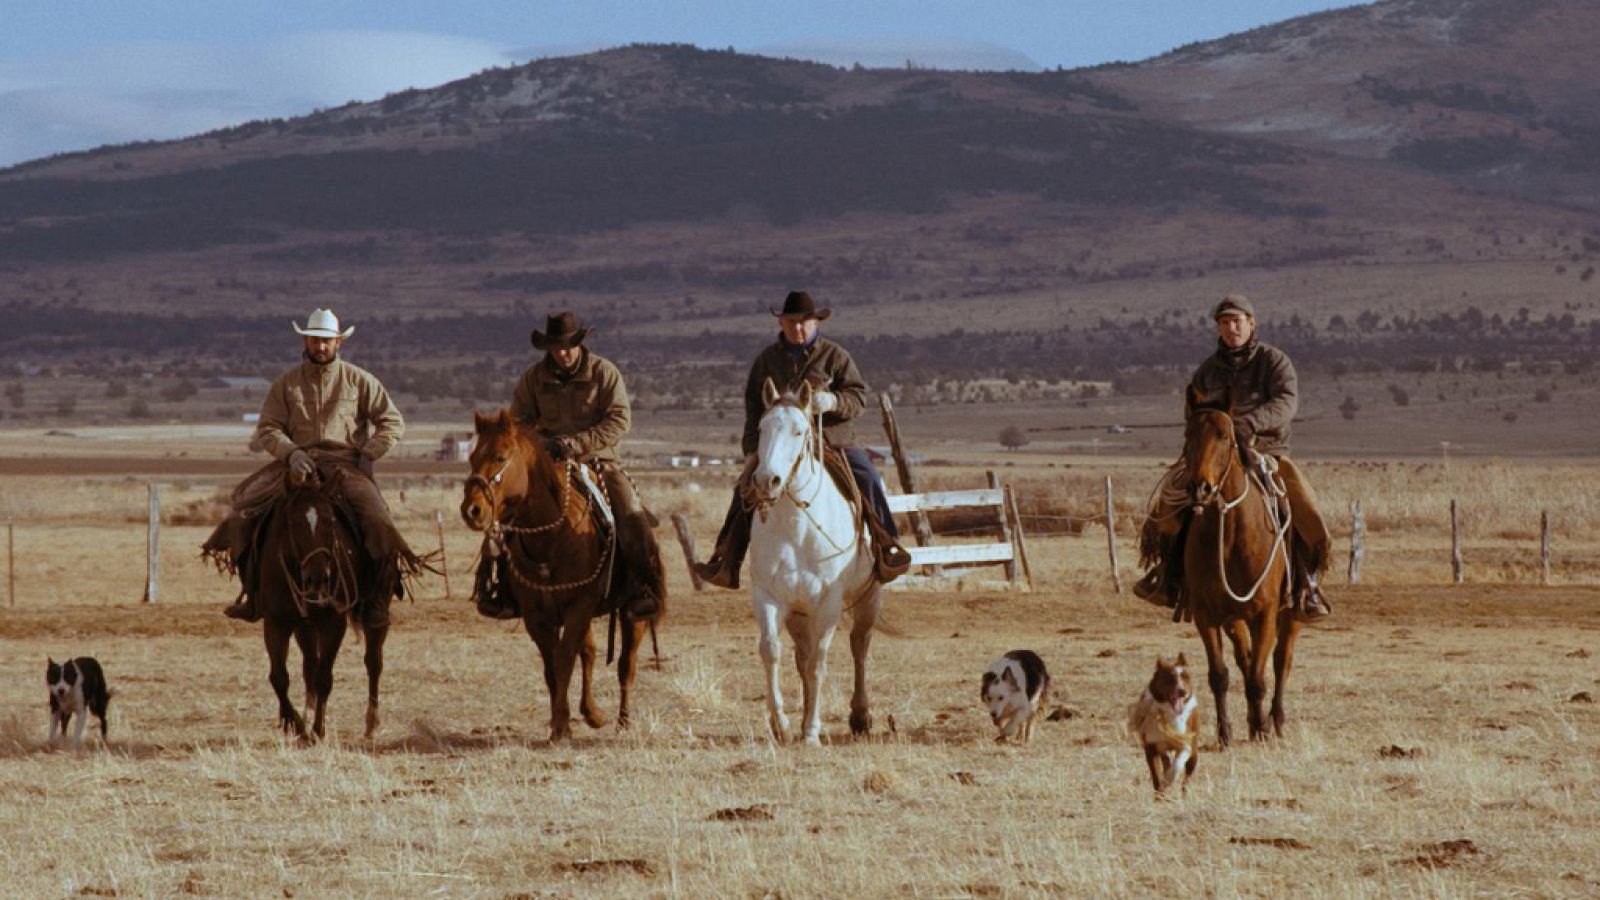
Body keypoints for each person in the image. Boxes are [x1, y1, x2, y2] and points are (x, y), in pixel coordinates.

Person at [205, 308, 416, 627]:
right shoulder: (286, 385)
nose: (321, 346)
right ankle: (253, 594)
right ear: (306, 340)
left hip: (346, 464)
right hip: (296, 463)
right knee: (242, 513)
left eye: (327, 341)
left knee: (378, 521)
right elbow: (269, 427)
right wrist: (290, 453)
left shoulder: (360, 381)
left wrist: (369, 453)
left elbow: (392, 421)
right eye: (316, 340)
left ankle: (376, 598)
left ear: (338, 343)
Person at [695, 290, 912, 589]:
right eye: (791, 322)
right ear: (781, 323)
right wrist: (751, 451)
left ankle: (886, 546)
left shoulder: (836, 356)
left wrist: (833, 402)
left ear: (816, 323)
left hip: (832, 440)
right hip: (781, 446)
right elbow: (753, 409)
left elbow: (858, 398)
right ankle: (726, 560)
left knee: (868, 477)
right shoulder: (766, 361)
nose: (798, 329)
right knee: (745, 489)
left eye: (804, 322)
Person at [1134, 294, 1333, 620]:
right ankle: (1167, 575)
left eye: (1237, 321)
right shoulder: (1207, 371)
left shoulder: (1274, 362)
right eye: (1224, 323)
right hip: (1216, 456)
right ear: (1218, 328)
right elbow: (1194, 411)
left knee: (1302, 506)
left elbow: (1286, 402)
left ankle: (1307, 584)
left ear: (1251, 323)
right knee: (1171, 500)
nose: (1231, 328)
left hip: (1266, 451)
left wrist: (1249, 424)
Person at [474, 311, 666, 621]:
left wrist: (575, 444)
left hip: (599, 462)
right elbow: (517, 424)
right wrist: (541, 444)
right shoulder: (533, 379)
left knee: (631, 513)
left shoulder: (604, 373)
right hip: (547, 465)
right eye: (555, 347)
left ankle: (642, 587)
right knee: (503, 516)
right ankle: (496, 587)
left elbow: (619, 420)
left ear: (578, 343)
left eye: (567, 346)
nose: (561, 353)